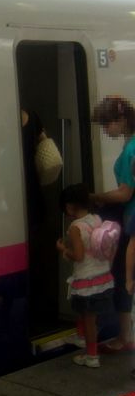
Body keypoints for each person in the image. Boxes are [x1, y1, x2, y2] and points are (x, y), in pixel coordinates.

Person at [91, 96, 135, 353]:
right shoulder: (130, 144)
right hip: (128, 219)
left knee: (124, 277)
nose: (106, 131)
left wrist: (97, 197)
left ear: (121, 119)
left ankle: (125, 336)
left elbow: (125, 193)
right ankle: (125, 335)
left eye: (107, 124)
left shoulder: (131, 149)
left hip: (130, 219)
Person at [57, 184, 115, 367]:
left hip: (87, 281)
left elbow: (79, 256)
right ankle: (83, 339)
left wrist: (63, 249)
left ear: (69, 206)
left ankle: (91, 356)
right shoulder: (97, 219)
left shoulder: (75, 227)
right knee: (90, 317)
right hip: (103, 277)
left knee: (88, 318)